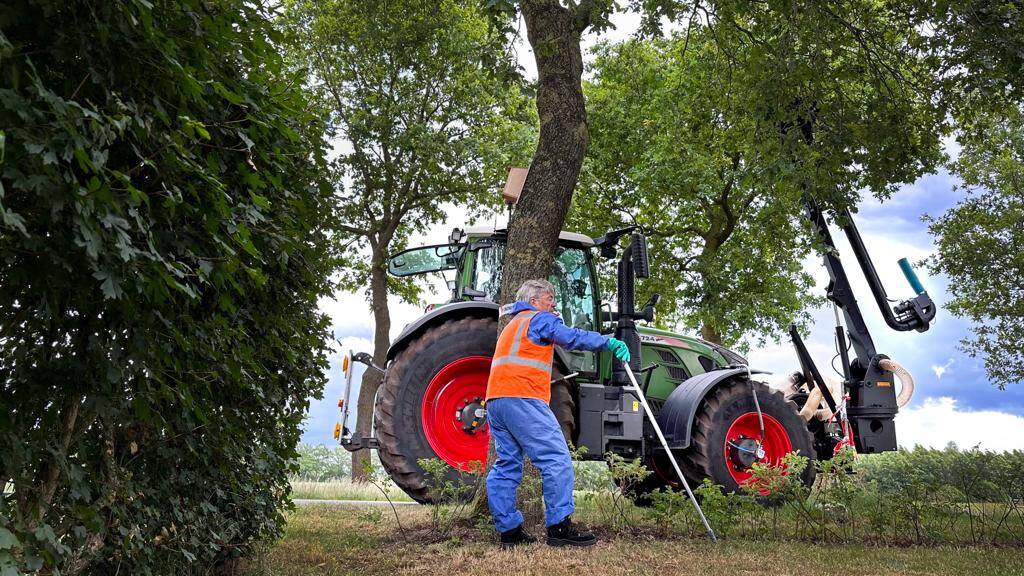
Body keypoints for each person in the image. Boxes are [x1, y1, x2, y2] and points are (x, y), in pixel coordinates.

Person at [485, 279, 631, 549]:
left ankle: (510, 533)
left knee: (506, 467)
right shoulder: (538, 319)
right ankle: (559, 526)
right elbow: (572, 337)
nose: (553, 303)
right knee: (557, 459)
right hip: (523, 398)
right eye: (549, 298)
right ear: (534, 301)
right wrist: (608, 342)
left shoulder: (512, 325)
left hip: (496, 401)